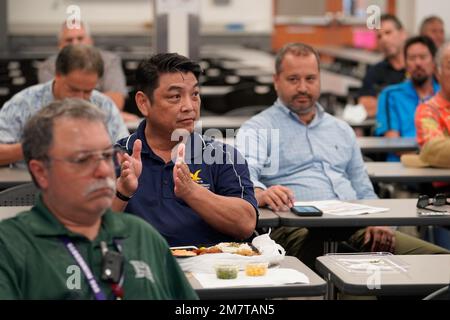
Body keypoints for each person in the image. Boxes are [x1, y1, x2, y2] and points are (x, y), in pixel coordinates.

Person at [235, 42, 449, 268]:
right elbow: (243, 179)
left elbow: (364, 188)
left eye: (310, 79)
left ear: (320, 79)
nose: (303, 88)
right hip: (301, 231)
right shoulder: (258, 129)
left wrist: (382, 225)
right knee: (351, 270)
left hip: (358, 228)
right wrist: (260, 192)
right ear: (276, 81)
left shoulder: (341, 130)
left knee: (440, 263)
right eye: (293, 79)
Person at [0, 98, 197, 299]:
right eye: (83, 159)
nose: (104, 171)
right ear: (41, 172)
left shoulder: (141, 235)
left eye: (106, 156)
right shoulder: (9, 247)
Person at [115, 53, 258, 247]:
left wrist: (191, 192)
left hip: (209, 270)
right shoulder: (118, 157)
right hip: (139, 268)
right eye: (175, 96)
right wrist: (122, 193)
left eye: (195, 95)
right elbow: (89, 230)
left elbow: (245, 224)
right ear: (143, 103)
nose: (189, 107)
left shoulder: (223, 156)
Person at [0, 44, 129, 167]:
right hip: (32, 186)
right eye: (73, 89)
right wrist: (37, 146)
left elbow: (125, 152)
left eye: (87, 91)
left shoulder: (104, 106)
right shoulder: (22, 105)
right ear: (57, 75)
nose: (80, 98)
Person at [38, 21, 138, 122]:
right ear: (60, 45)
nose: (75, 43)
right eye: (69, 40)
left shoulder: (110, 61)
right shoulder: (48, 67)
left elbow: (115, 102)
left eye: (80, 38)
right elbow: (54, 105)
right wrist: (108, 113)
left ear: (90, 41)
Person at [375, 36, 439, 161]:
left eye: (423, 57)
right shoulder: (391, 95)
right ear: (405, 63)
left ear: (434, 62)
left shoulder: (444, 94)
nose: (418, 63)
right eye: (412, 58)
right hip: (403, 170)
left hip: (441, 170)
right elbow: (394, 143)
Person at [357, 14, 407, 117]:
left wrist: (382, 101)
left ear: (403, 33)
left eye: (388, 33)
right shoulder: (374, 72)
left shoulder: (417, 68)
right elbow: (365, 107)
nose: (384, 39)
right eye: (379, 36)